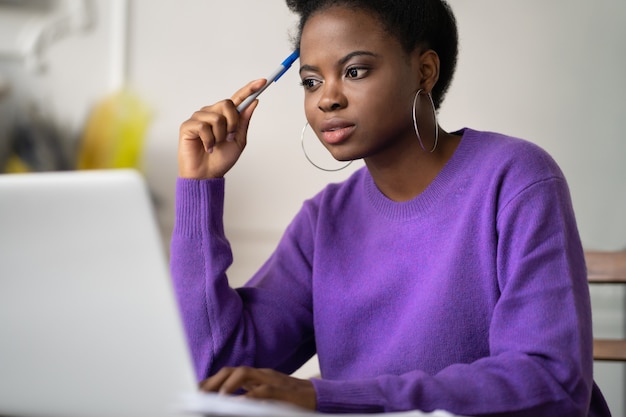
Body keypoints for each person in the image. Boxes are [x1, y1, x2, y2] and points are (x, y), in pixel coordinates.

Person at [171, 0, 612, 415]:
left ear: (424, 71)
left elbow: (551, 383)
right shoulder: (325, 220)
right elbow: (213, 370)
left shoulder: (516, 179)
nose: (328, 98)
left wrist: (331, 398)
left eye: (355, 71)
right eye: (311, 81)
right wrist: (200, 188)